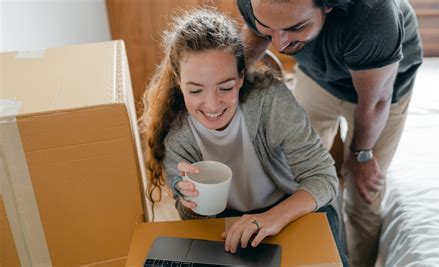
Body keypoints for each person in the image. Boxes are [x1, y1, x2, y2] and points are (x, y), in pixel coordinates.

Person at [139, 8, 349, 264]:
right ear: (178, 81)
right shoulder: (176, 134)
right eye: (195, 91)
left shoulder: (270, 102)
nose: (212, 105)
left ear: (240, 77)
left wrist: (271, 218)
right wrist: (190, 202)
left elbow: (324, 178)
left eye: (225, 87)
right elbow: (193, 221)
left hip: (290, 209)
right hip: (229, 225)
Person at [236, 0, 423, 266]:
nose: (279, 45)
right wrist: (230, 79)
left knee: (363, 197)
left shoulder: (373, 13)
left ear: (329, 5)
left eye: (295, 27)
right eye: (268, 27)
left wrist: (361, 155)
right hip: (318, 77)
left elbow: (376, 101)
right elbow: (253, 35)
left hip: (381, 92)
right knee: (293, 176)